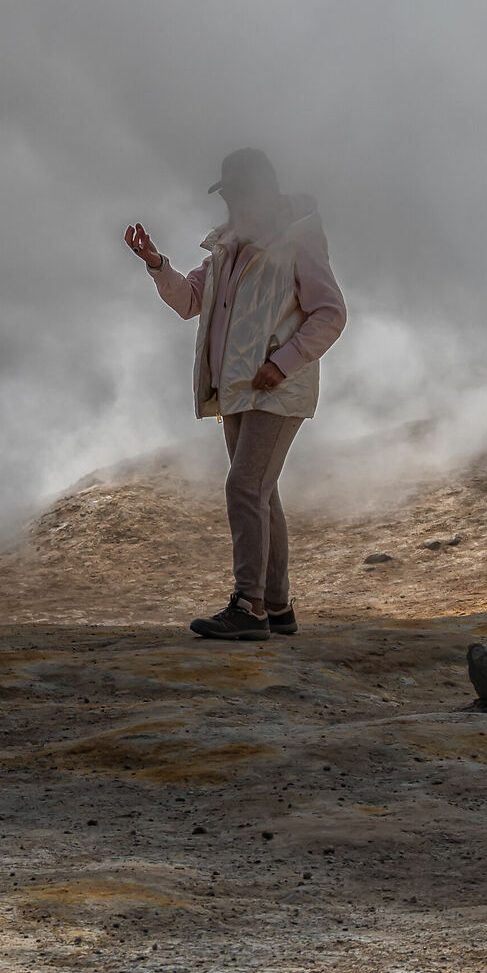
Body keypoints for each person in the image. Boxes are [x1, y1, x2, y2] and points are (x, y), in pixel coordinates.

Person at [125, 148, 346, 641]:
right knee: (261, 494)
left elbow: (330, 313)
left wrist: (281, 362)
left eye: (238, 194)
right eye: (227, 196)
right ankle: (276, 604)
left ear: (262, 194)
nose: (232, 204)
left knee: (244, 488)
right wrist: (157, 264)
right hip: (238, 390)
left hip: (276, 388)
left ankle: (249, 607)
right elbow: (191, 302)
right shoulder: (226, 246)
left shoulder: (299, 242)